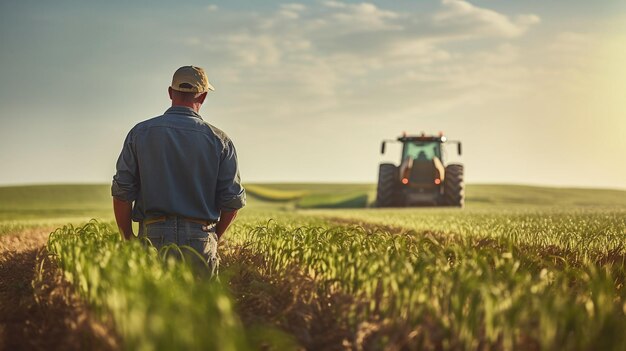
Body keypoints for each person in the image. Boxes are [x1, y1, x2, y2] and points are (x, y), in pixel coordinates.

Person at [111, 65, 246, 275]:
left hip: (152, 236)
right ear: (202, 97)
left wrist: (128, 239)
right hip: (201, 237)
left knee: (153, 306)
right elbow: (232, 202)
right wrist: (213, 237)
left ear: (170, 93)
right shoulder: (220, 141)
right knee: (200, 306)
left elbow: (122, 193)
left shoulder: (140, 133)